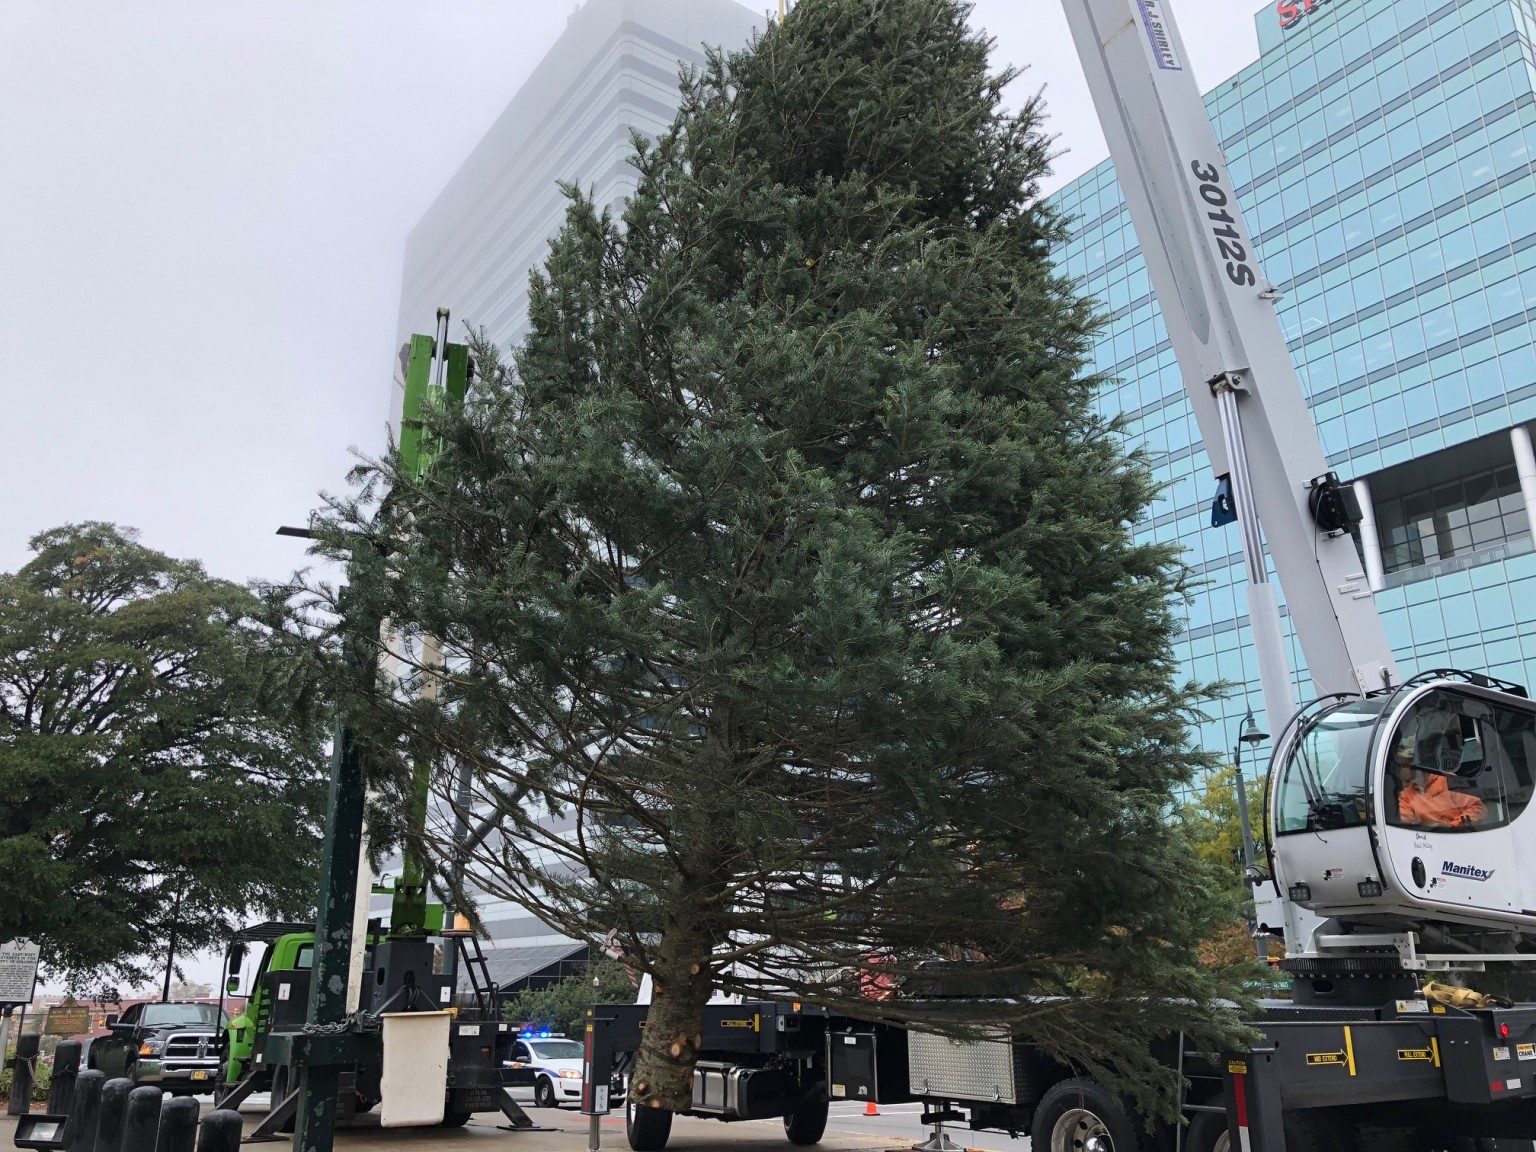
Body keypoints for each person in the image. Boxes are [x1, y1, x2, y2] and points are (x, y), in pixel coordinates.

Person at [1396, 742, 1486, 828]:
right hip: (1427, 839)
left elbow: (1478, 809)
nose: (1397, 771)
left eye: (1401, 766)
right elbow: (1407, 823)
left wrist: (1452, 826)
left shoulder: (1448, 780)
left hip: (1459, 835)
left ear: (1414, 765)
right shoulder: (1406, 795)